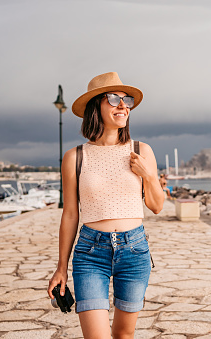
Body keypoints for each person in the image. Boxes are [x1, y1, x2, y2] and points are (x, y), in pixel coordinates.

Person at [47, 72, 165, 339]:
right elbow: (69, 215)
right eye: (114, 99)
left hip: (134, 250)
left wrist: (147, 174)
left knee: (123, 334)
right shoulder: (74, 157)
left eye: (127, 100)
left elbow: (157, 206)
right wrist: (61, 267)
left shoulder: (141, 150)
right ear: (95, 107)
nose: (123, 106)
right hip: (90, 252)